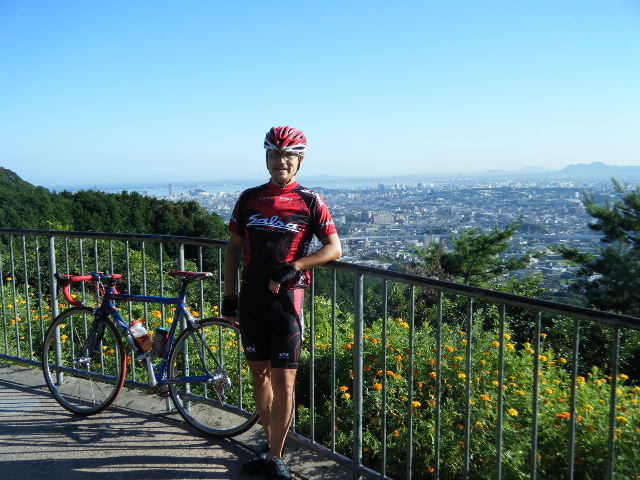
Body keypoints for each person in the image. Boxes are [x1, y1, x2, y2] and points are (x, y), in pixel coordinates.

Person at [222, 126, 342, 480]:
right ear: (266, 157)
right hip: (252, 299)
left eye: (289, 155)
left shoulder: (310, 200)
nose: (281, 161)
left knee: (285, 382)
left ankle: (276, 455)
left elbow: (334, 249)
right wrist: (229, 296)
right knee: (259, 377)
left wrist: (296, 266)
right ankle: (268, 444)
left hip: (288, 301)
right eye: (275, 154)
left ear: (300, 160)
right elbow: (233, 248)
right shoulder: (249, 198)